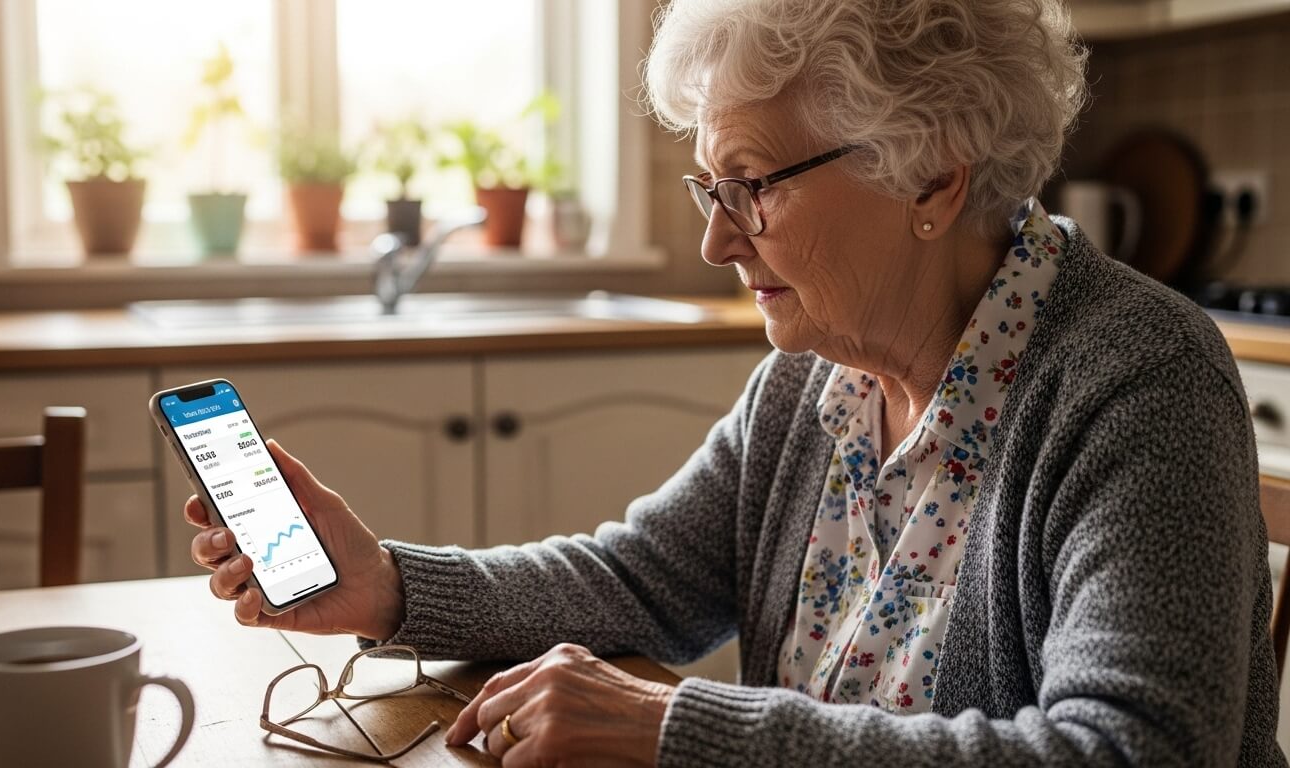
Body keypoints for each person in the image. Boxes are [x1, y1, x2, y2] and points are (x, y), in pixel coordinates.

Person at [185, 0, 1284, 764]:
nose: (717, 240)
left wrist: (678, 731)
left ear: (932, 178)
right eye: (708, 186)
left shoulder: (1138, 381)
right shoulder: (815, 385)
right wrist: (389, 586)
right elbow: (642, 582)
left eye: (752, 185)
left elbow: (1131, 751)